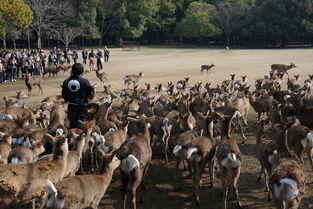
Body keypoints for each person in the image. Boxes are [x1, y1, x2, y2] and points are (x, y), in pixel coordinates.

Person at [61, 63, 94, 128]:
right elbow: (90, 95)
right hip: (82, 108)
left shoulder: (66, 81)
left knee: (72, 126)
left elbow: (64, 95)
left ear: (72, 71)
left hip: (71, 107)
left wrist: (67, 100)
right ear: (82, 72)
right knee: (82, 127)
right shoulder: (85, 81)